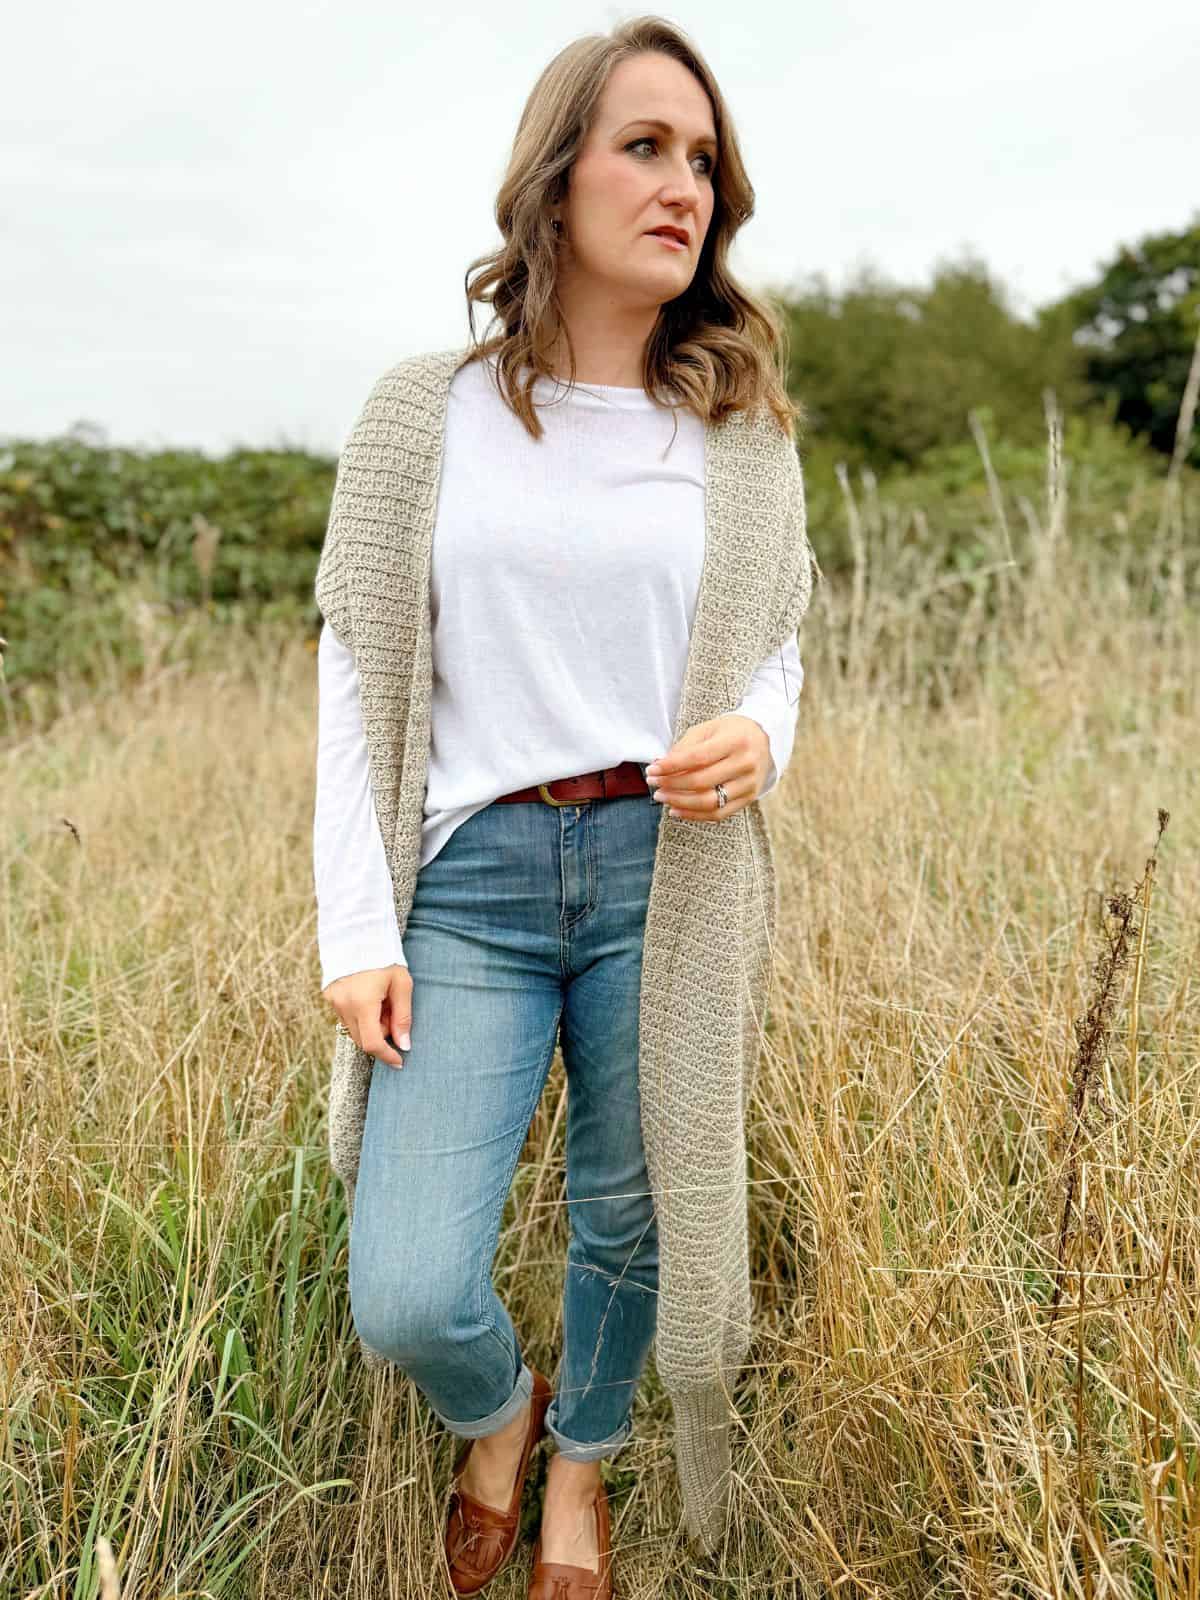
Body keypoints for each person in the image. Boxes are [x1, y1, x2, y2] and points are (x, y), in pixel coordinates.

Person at [312, 17, 818, 1597]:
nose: (685, 187)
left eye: (704, 161)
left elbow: (778, 640)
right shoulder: (424, 415)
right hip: (474, 881)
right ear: (557, 176)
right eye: (646, 148)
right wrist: (356, 924)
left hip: (669, 867)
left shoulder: (735, 437)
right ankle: (500, 1404)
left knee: (630, 1204)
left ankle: (582, 1464)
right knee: (403, 1286)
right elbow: (358, 674)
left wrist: (757, 734)